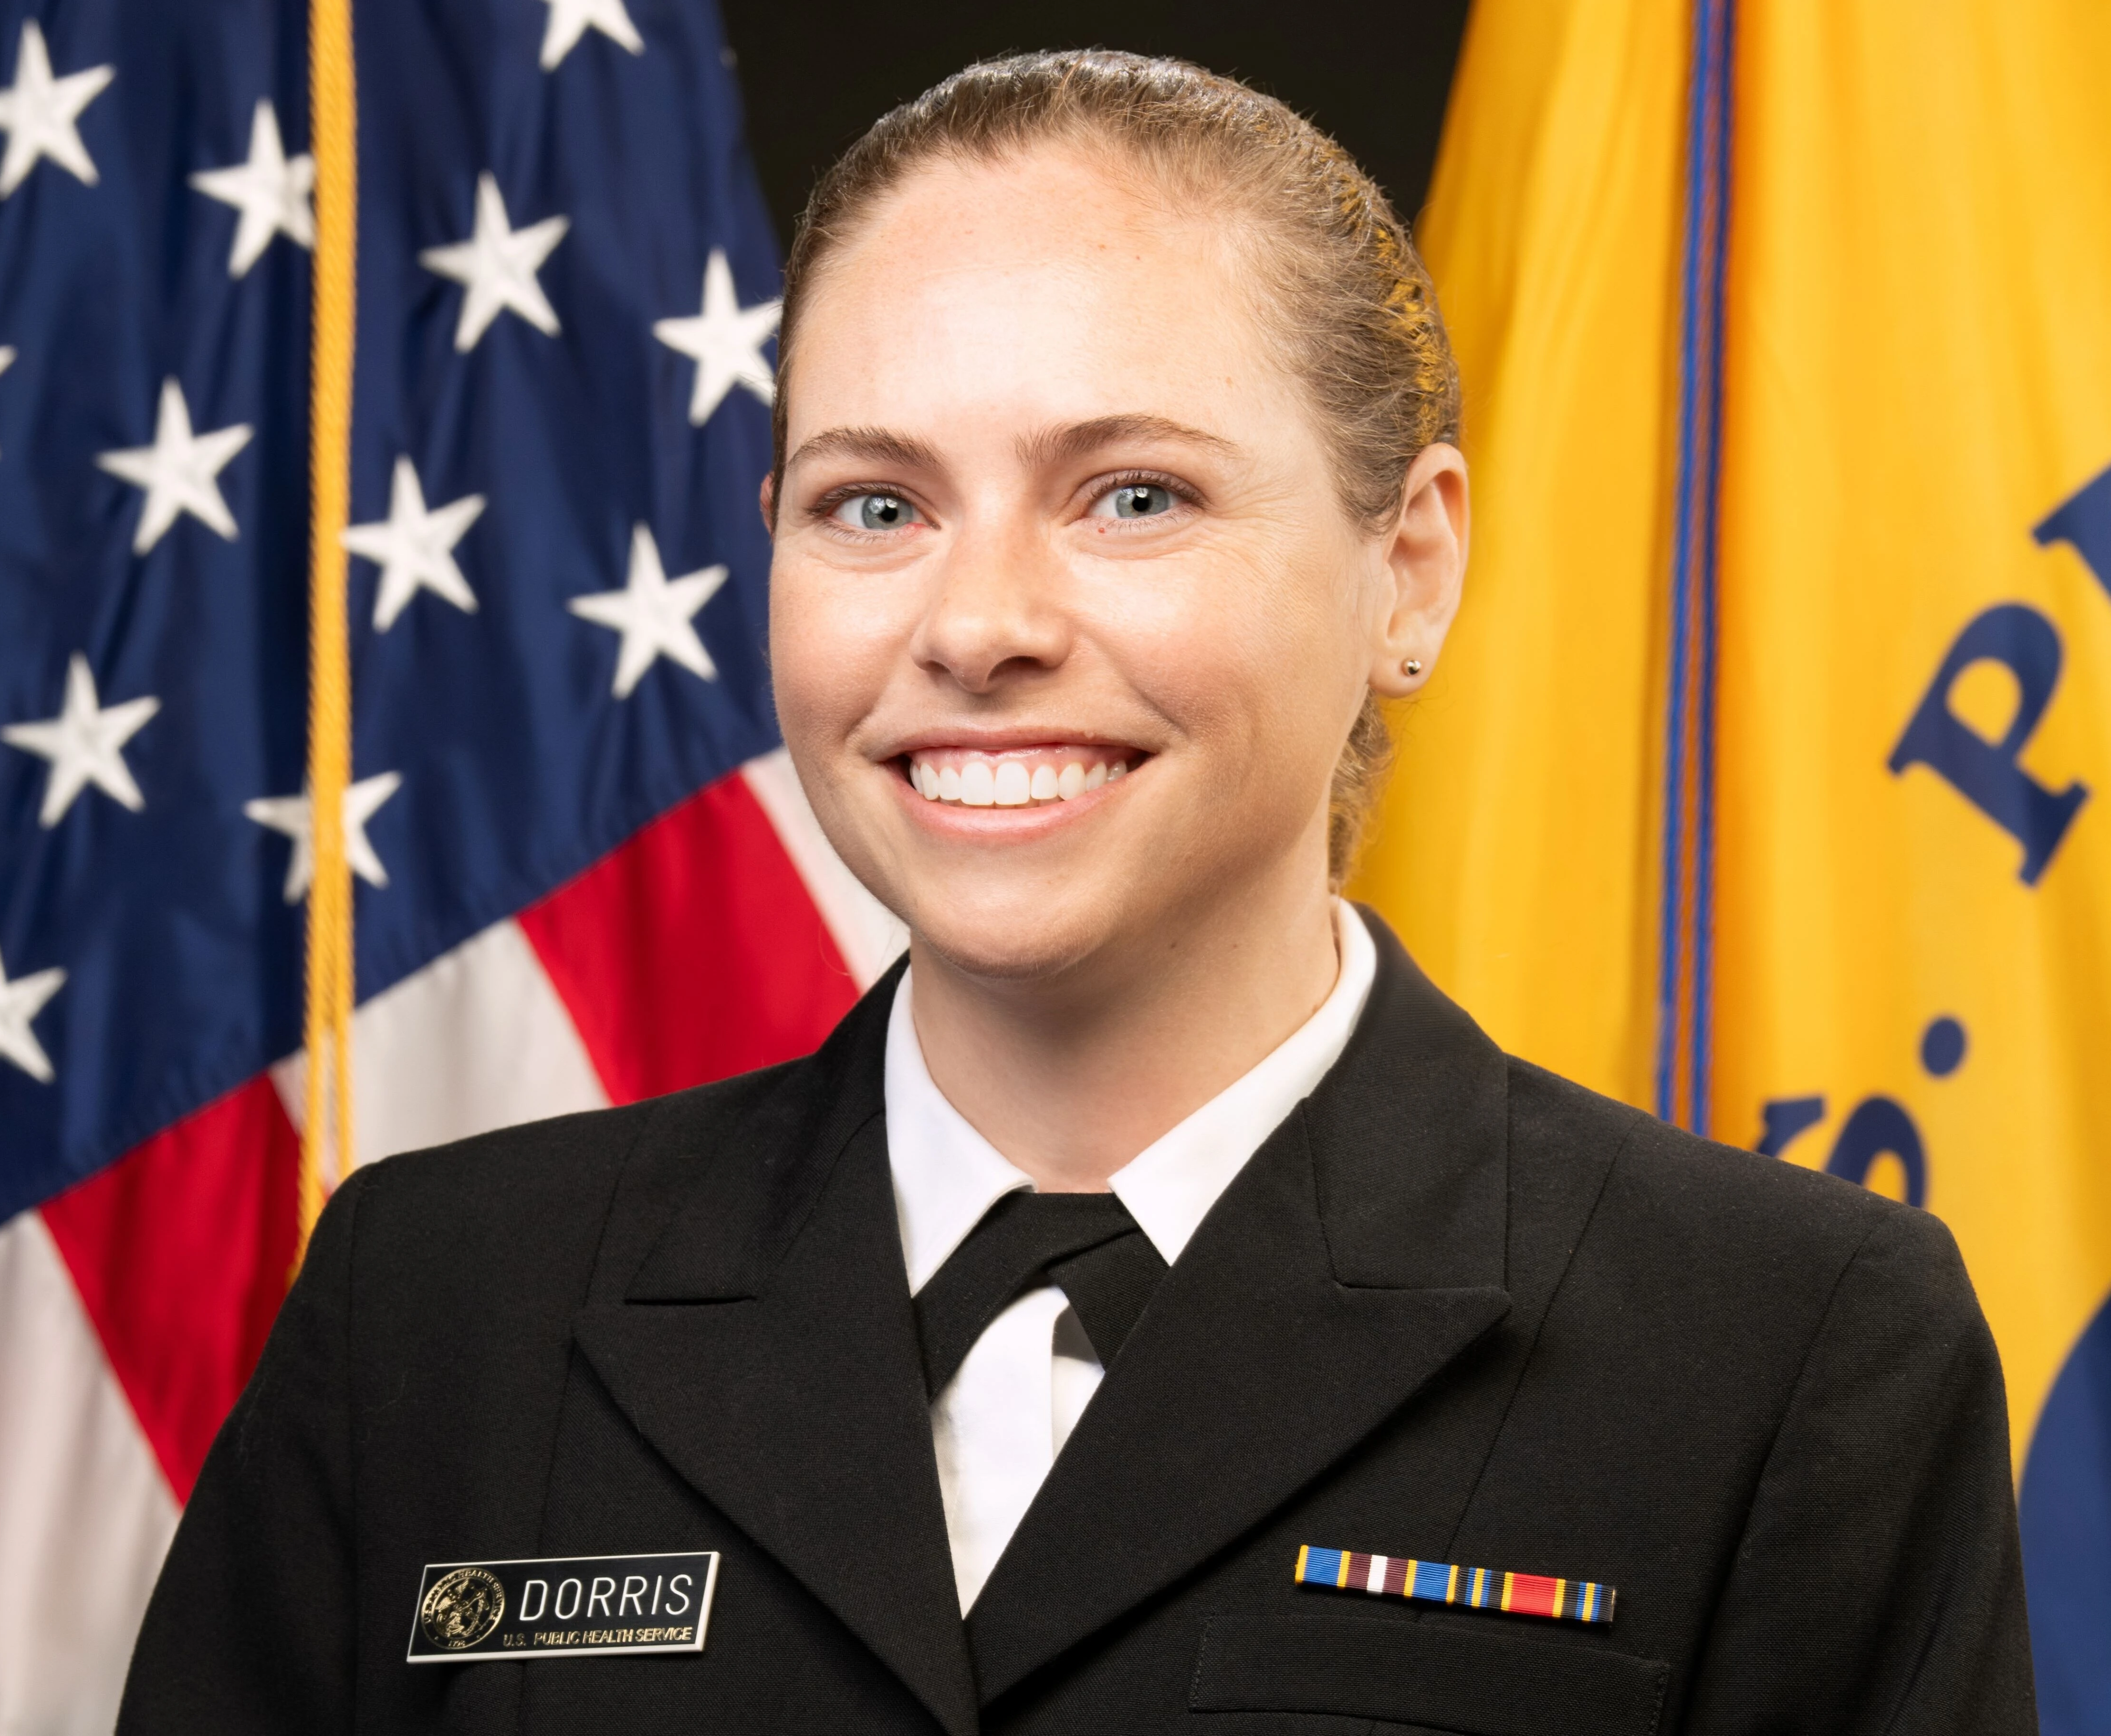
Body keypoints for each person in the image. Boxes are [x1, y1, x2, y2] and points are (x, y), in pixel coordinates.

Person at [119, 50, 2035, 1736]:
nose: (976, 626)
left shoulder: (1783, 1349)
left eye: (1129, 494)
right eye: (874, 503)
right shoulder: (440, 1311)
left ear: (1410, 569)